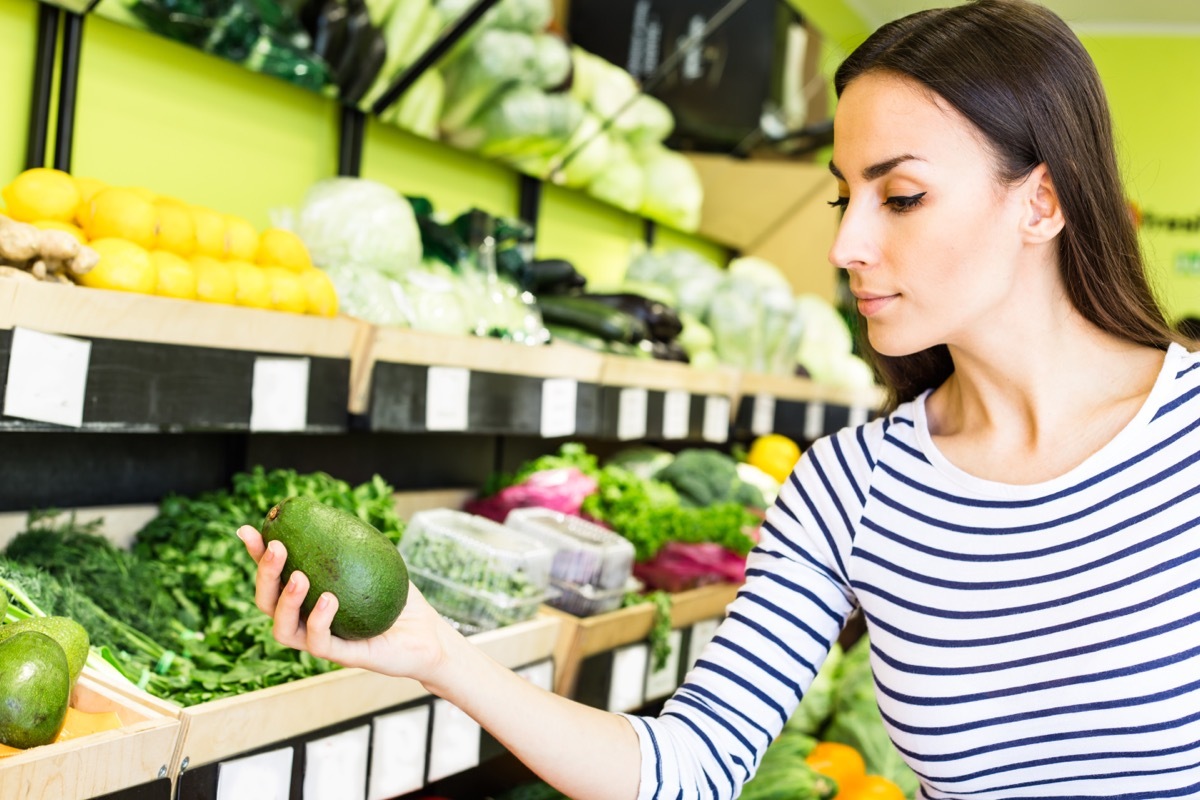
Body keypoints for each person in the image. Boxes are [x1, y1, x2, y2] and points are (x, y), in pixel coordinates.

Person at [239, 1, 1200, 797]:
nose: (846, 246)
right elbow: (689, 766)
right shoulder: (850, 491)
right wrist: (438, 653)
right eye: (843, 197)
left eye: (899, 196)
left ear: (1041, 201)